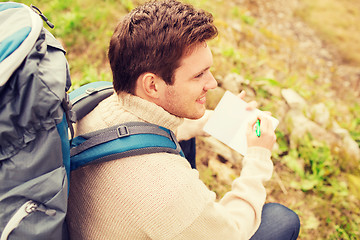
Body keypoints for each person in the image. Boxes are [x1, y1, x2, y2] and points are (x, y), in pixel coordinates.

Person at [67, 0, 300, 239]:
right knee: (281, 220)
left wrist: (220, 121)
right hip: (167, 207)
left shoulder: (95, 105)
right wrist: (257, 158)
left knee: (180, 134)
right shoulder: (169, 191)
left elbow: (142, 132)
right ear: (152, 85)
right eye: (199, 75)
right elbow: (233, 233)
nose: (212, 83)